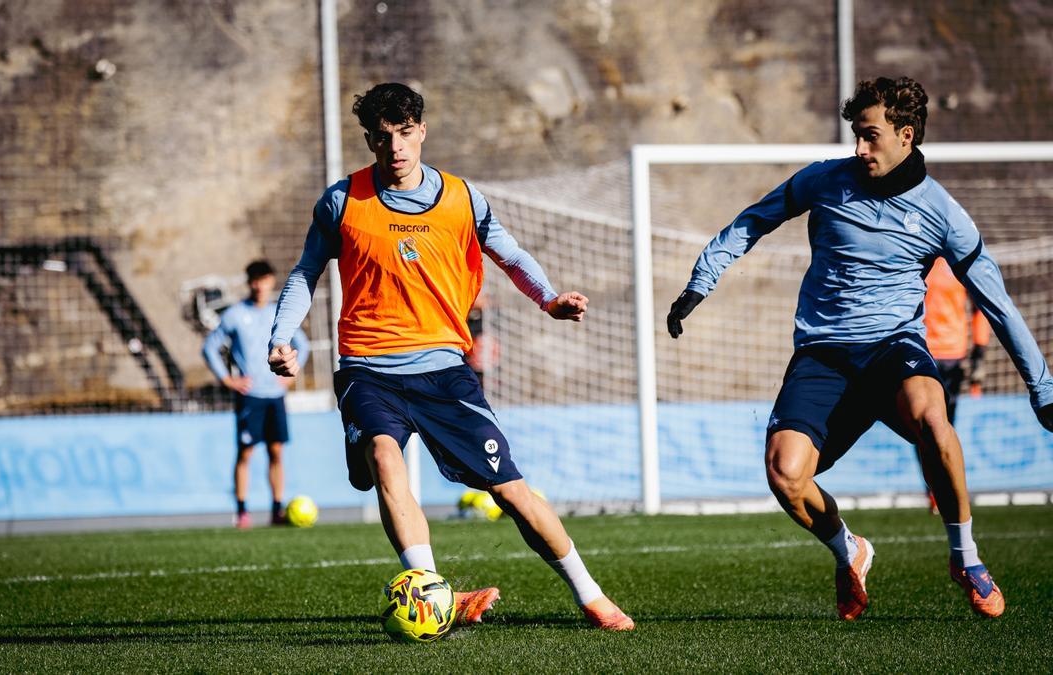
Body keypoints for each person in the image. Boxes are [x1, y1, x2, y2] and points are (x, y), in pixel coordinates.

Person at [666, 76, 1053, 620]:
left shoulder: (942, 213)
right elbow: (754, 219)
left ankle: (965, 556)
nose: (858, 148)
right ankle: (849, 549)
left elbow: (997, 304)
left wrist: (1042, 389)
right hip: (822, 354)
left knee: (934, 422)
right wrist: (701, 281)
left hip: (893, 349)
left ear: (906, 135)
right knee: (785, 474)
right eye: (855, 135)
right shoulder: (825, 182)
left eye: (870, 136)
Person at [268, 83, 633, 630]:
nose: (396, 147)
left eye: (407, 133)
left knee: (511, 490)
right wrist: (282, 335)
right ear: (370, 139)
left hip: (444, 371)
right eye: (385, 136)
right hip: (368, 369)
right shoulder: (342, 201)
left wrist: (549, 298)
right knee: (387, 460)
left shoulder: (463, 198)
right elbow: (305, 273)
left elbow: (510, 255)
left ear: (422, 131)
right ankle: (435, 597)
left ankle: (591, 594)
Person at [203, 260, 310, 528]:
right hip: (250, 395)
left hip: (275, 394)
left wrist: (292, 375)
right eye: (255, 280)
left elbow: (303, 345)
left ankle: (276, 509)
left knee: (276, 452)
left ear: (271, 282)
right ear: (249, 283)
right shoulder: (235, 314)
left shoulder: (279, 313)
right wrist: (228, 379)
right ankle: (242, 511)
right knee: (246, 452)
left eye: (264, 280)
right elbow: (210, 347)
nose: (260, 286)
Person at [919, 257, 990, 512]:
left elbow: (980, 307)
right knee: (923, 427)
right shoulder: (917, 255)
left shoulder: (958, 259)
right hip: (921, 352)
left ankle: (950, 489)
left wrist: (979, 353)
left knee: (947, 426)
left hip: (953, 357)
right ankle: (935, 493)